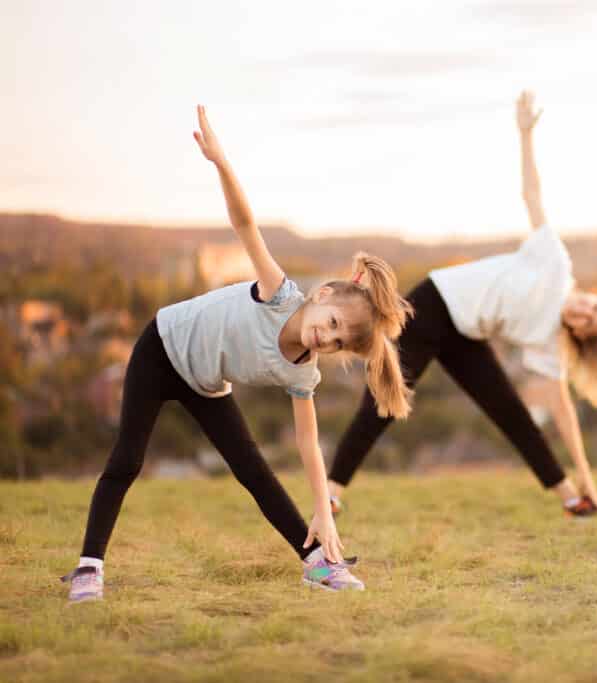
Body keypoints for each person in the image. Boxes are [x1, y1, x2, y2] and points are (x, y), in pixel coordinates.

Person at [62, 105, 412, 602]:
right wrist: (222, 163)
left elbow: (307, 444)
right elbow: (246, 225)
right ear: (324, 296)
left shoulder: (302, 373)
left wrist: (321, 507)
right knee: (127, 459)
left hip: (205, 381)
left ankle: (316, 563)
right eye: (330, 325)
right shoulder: (279, 295)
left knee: (253, 470)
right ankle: (88, 568)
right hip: (160, 349)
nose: (325, 340)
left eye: (336, 343)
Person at [327, 91, 597, 516]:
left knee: (510, 412)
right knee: (385, 400)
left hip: (465, 332)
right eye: (593, 309)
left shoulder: (550, 341)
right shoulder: (555, 263)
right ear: (594, 296)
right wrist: (525, 135)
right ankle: (332, 491)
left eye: (589, 326)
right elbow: (532, 195)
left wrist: (587, 474)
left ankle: (573, 498)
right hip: (434, 304)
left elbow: (561, 408)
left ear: (582, 336)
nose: (584, 316)